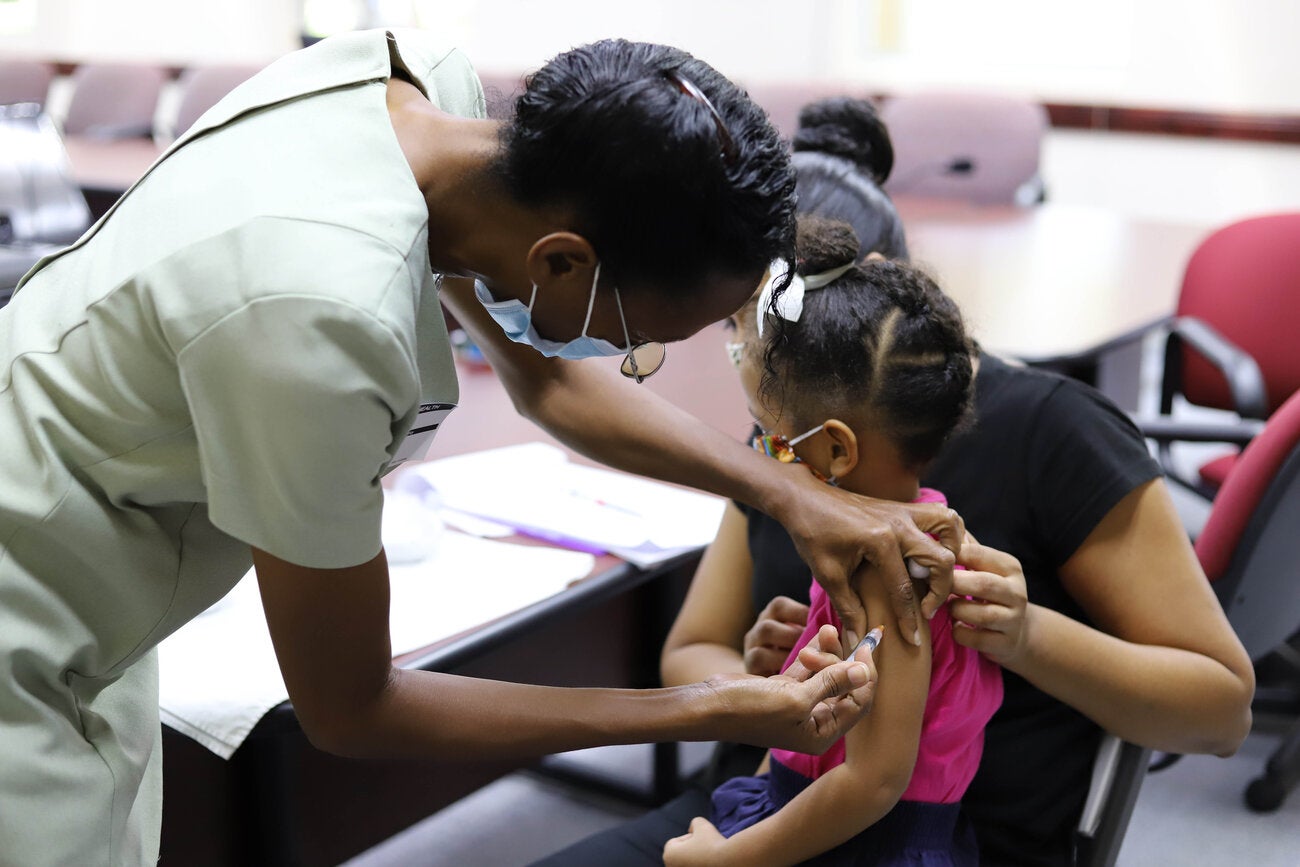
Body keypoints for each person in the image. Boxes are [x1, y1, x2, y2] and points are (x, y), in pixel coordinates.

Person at [0, 35, 968, 866]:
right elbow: (352, 708)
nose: (630, 359)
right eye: (640, 341)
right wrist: (708, 709)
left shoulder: (420, 108)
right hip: (30, 622)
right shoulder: (315, 317)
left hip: (87, 554)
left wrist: (793, 498)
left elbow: (548, 382)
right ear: (561, 260)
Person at [535, 97, 1254, 867]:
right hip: (770, 800)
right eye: (736, 328)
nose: (745, 355)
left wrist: (1026, 634)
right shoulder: (791, 428)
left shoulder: (1051, 435)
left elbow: (1219, 709)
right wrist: (767, 677)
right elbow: (692, 651)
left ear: (872, 289)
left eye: (758, 331)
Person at [660, 216, 1004, 866]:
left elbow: (873, 780)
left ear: (836, 448)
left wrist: (724, 860)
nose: (761, 464)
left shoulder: (887, 570)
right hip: (804, 809)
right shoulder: (906, 528)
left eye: (768, 442)